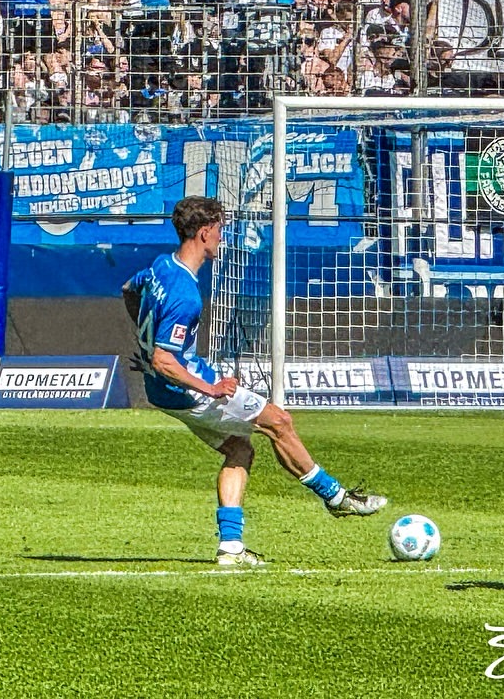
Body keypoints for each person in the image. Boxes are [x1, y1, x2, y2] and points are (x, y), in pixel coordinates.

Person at [121, 196, 387, 567]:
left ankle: (230, 547)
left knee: (239, 450)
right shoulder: (186, 295)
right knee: (279, 422)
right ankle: (337, 497)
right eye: (219, 230)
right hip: (189, 389)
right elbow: (165, 359)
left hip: (162, 392)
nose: (221, 238)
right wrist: (210, 388)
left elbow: (128, 290)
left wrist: (148, 344)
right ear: (203, 233)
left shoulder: (159, 267)